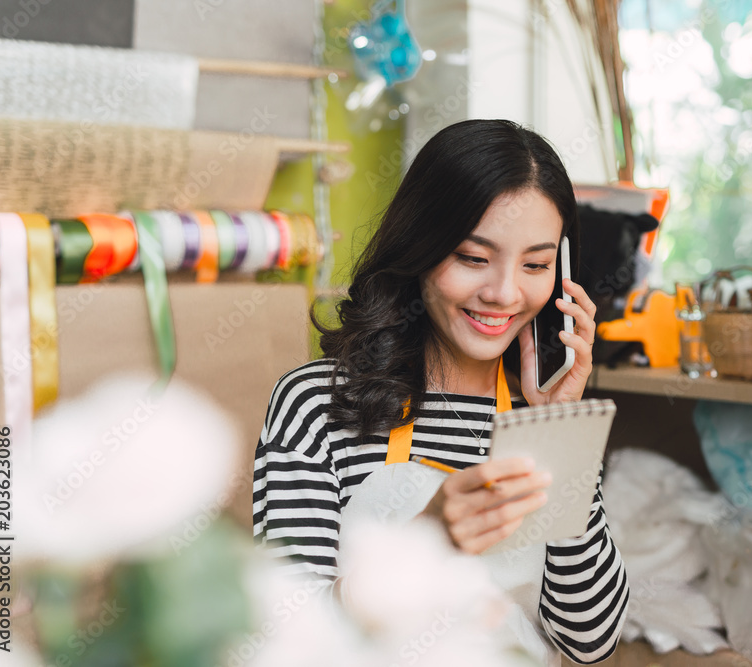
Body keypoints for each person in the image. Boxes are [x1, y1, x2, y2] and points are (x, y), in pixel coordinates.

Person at [253, 119, 629, 665]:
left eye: (536, 265)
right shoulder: (317, 406)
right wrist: (429, 539)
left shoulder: (543, 414)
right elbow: (287, 635)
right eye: (474, 258)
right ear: (421, 247)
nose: (503, 293)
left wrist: (558, 436)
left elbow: (591, 641)